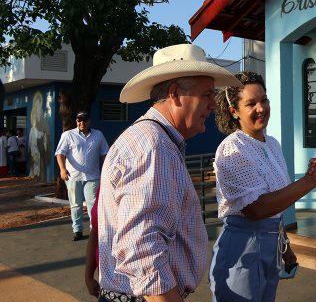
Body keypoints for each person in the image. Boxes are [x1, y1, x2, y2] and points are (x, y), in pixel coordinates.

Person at [97, 44, 242, 302]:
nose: (213, 105)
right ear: (175, 94)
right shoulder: (155, 147)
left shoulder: (151, 140)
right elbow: (141, 249)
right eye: (207, 95)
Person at [209, 71, 316, 302]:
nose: (261, 108)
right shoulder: (232, 148)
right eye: (251, 103)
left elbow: (276, 205)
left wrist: (285, 248)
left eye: (264, 100)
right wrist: (312, 180)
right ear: (234, 111)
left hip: (271, 247)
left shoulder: (272, 144)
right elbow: (256, 208)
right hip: (242, 250)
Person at [55, 111, 109, 241]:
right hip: (73, 177)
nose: (82, 123)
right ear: (76, 121)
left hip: (92, 176)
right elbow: (60, 153)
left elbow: (105, 154)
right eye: (79, 120)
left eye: (84, 120)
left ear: (89, 121)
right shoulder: (68, 135)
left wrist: (108, 170)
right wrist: (62, 169)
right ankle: (77, 230)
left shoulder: (98, 135)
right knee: (75, 205)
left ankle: (94, 230)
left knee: (93, 204)